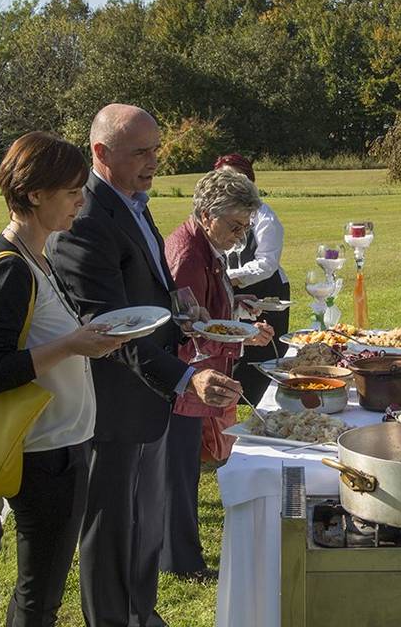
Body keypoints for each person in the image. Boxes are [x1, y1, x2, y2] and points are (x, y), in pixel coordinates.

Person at [47, 104, 241, 627]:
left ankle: (141, 614)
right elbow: (112, 328)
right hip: (111, 405)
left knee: (145, 524)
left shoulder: (132, 198)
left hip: (149, 397)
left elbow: (148, 289)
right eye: (141, 152)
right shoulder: (85, 219)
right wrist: (185, 376)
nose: (154, 161)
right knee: (112, 531)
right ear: (101, 153)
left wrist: (185, 314)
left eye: (156, 149)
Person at [0, 131, 125, 625]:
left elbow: (43, 338)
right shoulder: (11, 267)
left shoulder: (41, 252)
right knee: (40, 595)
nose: (82, 199)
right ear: (35, 194)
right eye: (72, 190)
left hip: (63, 446)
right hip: (42, 456)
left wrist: (87, 336)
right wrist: (72, 345)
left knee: (43, 589)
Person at [160, 168, 273, 578]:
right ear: (207, 214)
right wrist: (240, 337)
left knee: (187, 467)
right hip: (187, 378)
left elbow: (208, 308)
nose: (240, 236)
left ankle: (178, 556)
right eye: (234, 225)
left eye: (246, 226)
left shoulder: (205, 243)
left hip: (196, 376)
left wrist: (235, 301)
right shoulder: (188, 253)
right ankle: (180, 561)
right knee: (179, 473)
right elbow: (188, 325)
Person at [217, 154, 291, 405]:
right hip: (230, 293)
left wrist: (230, 279)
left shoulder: (263, 216)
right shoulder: (214, 216)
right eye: (226, 177)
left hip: (265, 294)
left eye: (240, 177)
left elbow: (267, 264)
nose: (233, 184)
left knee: (264, 354)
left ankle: (265, 401)